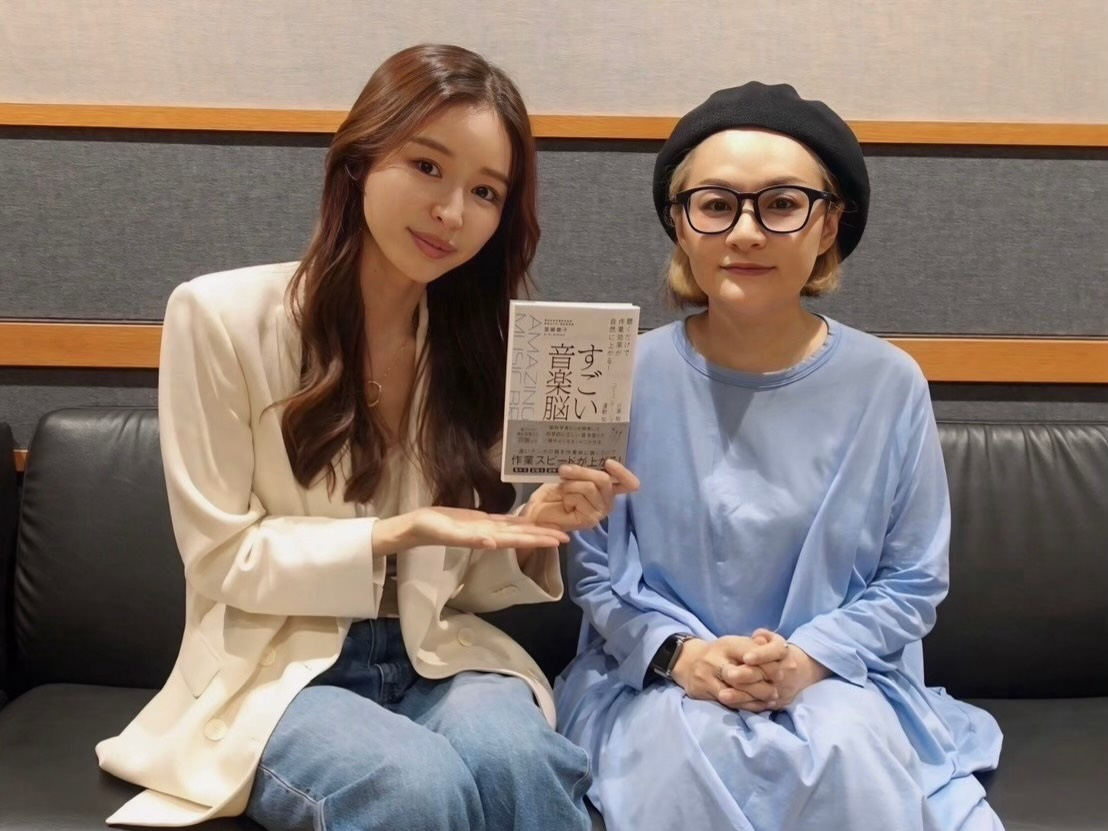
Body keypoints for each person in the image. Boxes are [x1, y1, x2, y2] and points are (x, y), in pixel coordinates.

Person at [96, 43, 638, 831]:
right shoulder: (219, 317)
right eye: (427, 166)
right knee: (411, 786)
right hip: (279, 670)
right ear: (359, 160)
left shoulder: (476, 349)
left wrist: (531, 530)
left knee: (521, 760)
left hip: (436, 651)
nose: (452, 212)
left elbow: (458, 585)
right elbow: (221, 557)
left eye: (485, 191)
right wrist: (394, 532)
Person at [554, 82, 1004, 830]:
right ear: (680, 222)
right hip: (656, 680)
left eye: (783, 204)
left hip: (840, 678)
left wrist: (804, 660)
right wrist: (682, 657)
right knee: (677, 758)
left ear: (828, 224)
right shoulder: (616, 374)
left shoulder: (889, 383)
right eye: (716, 204)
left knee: (845, 751)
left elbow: (914, 579)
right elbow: (595, 573)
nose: (746, 233)